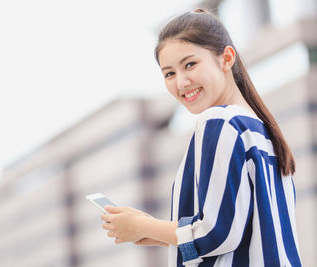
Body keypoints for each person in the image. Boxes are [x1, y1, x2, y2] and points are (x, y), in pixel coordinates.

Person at [100, 8, 302, 267]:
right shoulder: (262, 131)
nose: (181, 82)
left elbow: (216, 233)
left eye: (190, 64)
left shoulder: (219, 121)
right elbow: (243, 228)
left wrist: (145, 225)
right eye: (169, 73)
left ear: (226, 58)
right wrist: (152, 231)